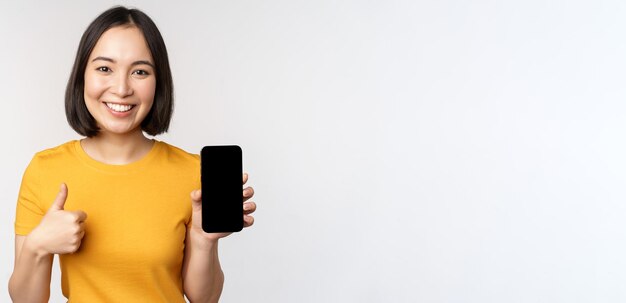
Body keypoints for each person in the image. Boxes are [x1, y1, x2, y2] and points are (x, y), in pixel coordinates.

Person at [8, 6, 257, 303]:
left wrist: (203, 240)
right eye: (104, 69)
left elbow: (205, 299)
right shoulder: (45, 170)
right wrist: (38, 245)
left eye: (140, 71)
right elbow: (25, 300)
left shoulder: (191, 171)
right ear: (82, 76)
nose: (122, 88)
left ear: (158, 82)